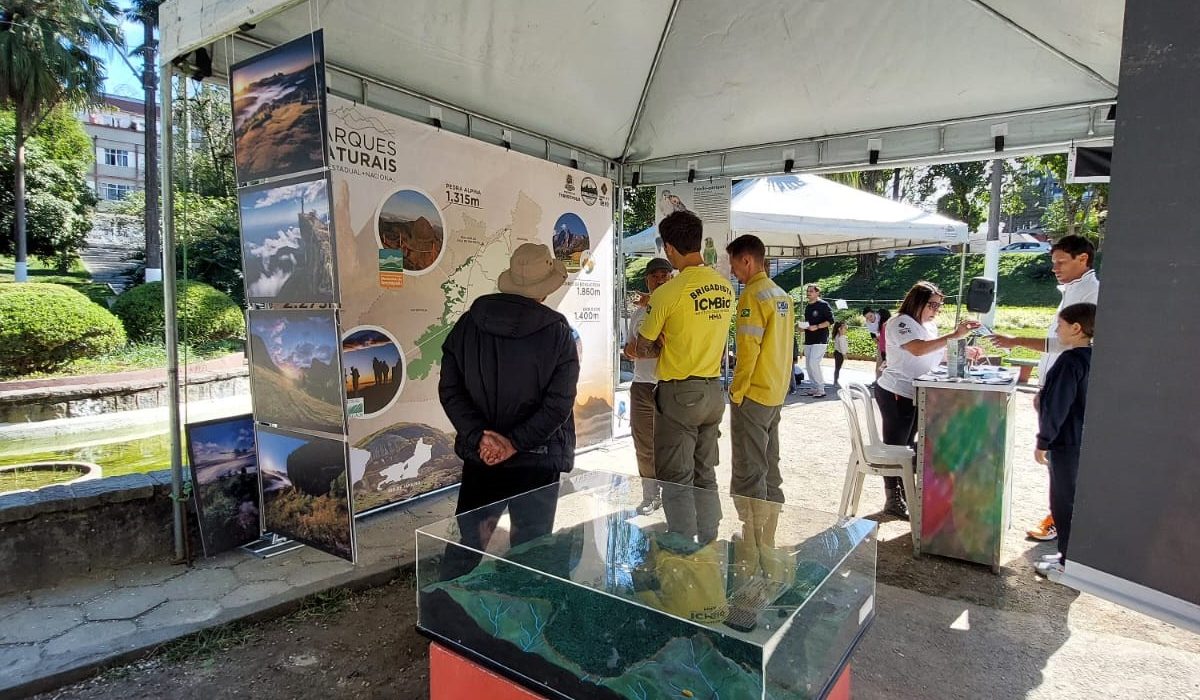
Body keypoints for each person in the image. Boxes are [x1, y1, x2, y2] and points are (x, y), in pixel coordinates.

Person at [438, 243, 579, 576]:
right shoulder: (557, 332)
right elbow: (559, 404)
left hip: (481, 459)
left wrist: (480, 438)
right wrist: (514, 443)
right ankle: (523, 607)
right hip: (537, 459)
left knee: (467, 543)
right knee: (532, 550)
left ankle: (443, 603)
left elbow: (450, 391)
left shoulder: (467, 325)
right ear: (545, 288)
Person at [629, 210, 734, 542]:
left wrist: (662, 341)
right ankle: (709, 537)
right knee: (705, 472)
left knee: (676, 477)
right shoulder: (725, 286)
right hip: (713, 390)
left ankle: (682, 545)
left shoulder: (668, 293)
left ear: (670, 248)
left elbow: (642, 347)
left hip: (679, 393)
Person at [992, 234, 1099, 542]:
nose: (1055, 268)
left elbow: (1064, 342)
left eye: (1061, 262)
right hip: (1057, 385)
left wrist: (1017, 341)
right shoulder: (1074, 290)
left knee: (1063, 466)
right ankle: (1061, 522)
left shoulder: (1091, 293)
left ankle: (1063, 527)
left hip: (1069, 393)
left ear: (1083, 259)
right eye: (1053, 262)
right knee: (1058, 467)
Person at [874, 282, 980, 519]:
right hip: (897, 391)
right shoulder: (900, 322)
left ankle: (905, 491)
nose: (936, 310)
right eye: (932, 305)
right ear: (917, 302)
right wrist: (954, 336)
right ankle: (893, 498)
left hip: (915, 392)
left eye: (939, 306)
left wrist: (962, 351)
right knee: (896, 447)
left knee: (907, 445)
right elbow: (918, 349)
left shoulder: (929, 326)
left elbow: (934, 353)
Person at [726, 234, 793, 505]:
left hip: (753, 393)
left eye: (733, 265)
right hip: (775, 391)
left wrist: (737, 391)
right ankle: (771, 522)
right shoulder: (782, 295)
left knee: (749, 469)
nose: (733, 272)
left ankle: (751, 528)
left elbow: (747, 351)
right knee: (770, 462)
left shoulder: (751, 296)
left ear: (746, 260)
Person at [1033, 303, 1095, 578]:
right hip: (1082, 440)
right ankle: (1067, 556)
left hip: (1065, 442)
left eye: (1060, 326)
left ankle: (1068, 565)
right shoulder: (1094, 358)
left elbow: (1058, 405)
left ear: (1076, 328)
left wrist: (1043, 440)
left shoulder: (1070, 361)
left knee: (1063, 501)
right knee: (1074, 500)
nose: (1057, 331)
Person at [623, 256, 673, 514]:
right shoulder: (639, 312)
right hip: (641, 385)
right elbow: (629, 348)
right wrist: (638, 349)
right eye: (655, 276)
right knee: (643, 444)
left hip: (669, 385)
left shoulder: (675, 308)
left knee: (672, 445)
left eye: (665, 275)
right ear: (647, 280)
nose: (661, 279)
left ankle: (673, 495)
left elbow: (666, 348)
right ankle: (651, 495)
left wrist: (641, 349)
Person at [801, 285, 835, 397]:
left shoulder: (823, 305)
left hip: (820, 339)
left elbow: (831, 321)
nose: (808, 293)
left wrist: (817, 326)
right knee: (808, 365)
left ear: (817, 293)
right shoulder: (808, 307)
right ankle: (814, 387)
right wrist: (802, 327)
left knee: (813, 363)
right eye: (807, 291)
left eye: (811, 291)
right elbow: (808, 323)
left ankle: (821, 389)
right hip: (809, 339)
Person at [874, 308, 891, 379]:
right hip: (883, 350)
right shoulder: (882, 325)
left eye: (878, 316)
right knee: (883, 367)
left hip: (886, 350)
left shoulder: (886, 325)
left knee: (885, 368)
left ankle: (881, 381)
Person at [832, 321, 848, 387]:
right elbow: (842, 346)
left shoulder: (838, 336)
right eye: (844, 328)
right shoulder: (841, 337)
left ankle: (836, 381)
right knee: (837, 368)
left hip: (837, 353)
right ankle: (835, 382)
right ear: (839, 329)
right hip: (839, 354)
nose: (846, 329)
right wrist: (844, 354)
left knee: (837, 368)